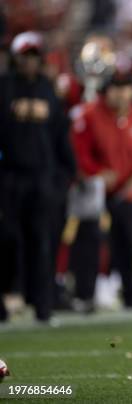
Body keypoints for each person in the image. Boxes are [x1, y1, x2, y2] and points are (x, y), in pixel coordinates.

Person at [0, 31, 75, 323]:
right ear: (16, 59)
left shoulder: (48, 91)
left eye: (34, 57)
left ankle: (41, 304)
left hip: (42, 179)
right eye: (25, 57)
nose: (30, 62)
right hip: (10, 177)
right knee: (7, 239)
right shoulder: (4, 88)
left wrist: (64, 175)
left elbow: (60, 136)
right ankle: (7, 296)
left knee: (42, 241)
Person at [70, 70, 132, 310]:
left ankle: (129, 291)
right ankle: (85, 294)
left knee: (128, 240)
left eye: (126, 87)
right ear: (105, 91)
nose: (122, 93)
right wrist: (96, 172)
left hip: (128, 191)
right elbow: (79, 153)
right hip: (94, 190)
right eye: (116, 88)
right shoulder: (89, 115)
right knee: (91, 241)